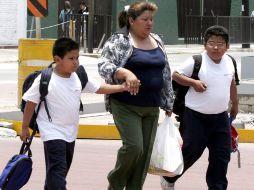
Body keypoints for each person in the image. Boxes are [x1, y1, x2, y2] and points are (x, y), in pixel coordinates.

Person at [20, 37, 128, 190]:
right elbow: (30, 103)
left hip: (70, 132)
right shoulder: (45, 78)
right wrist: (25, 127)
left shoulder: (78, 76)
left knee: (59, 171)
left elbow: (99, 88)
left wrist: (122, 87)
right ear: (57, 59)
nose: (75, 62)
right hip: (51, 132)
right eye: (71, 58)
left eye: (77, 57)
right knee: (58, 168)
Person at [98, 2, 174, 190]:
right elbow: (104, 65)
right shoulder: (120, 41)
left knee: (144, 155)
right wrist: (124, 72)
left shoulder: (157, 40)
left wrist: (169, 101)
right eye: (145, 19)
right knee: (134, 147)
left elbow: (165, 72)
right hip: (125, 105)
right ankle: (115, 181)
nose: (149, 23)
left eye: (151, 19)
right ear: (131, 20)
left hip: (152, 106)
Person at [161, 25, 238, 190]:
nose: (215, 47)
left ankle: (217, 187)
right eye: (211, 43)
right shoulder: (196, 61)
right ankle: (169, 178)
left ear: (227, 46)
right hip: (195, 117)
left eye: (220, 43)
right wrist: (193, 82)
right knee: (191, 152)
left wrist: (235, 105)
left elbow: (232, 83)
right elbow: (175, 75)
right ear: (205, 44)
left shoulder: (230, 61)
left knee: (221, 156)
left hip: (220, 118)